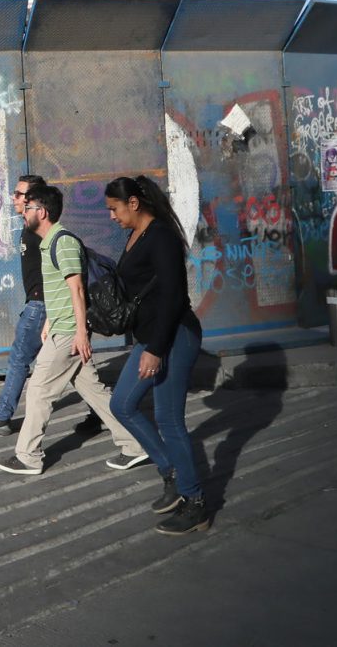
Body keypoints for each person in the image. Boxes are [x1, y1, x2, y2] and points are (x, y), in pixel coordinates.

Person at [0, 185, 147, 477]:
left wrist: (79, 332)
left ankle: (29, 456)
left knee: (39, 390)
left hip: (68, 333)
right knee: (94, 391)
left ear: (42, 212)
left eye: (28, 208)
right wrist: (50, 320)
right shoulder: (47, 241)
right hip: (61, 326)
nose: (23, 213)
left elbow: (77, 289)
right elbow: (59, 291)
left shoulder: (62, 242)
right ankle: (137, 445)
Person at [104, 175, 210, 535]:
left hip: (173, 336)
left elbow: (174, 298)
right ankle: (172, 470)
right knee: (121, 405)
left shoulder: (161, 237)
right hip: (151, 337)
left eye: (114, 209)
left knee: (168, 420)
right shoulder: (135, 236)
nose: (112, 217)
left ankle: (194, 502)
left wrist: (155, 350)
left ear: (134, 203)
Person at [0, 176, 106, 438]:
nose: (16, 199)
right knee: (77, 366)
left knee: (21, 357)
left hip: (42, 305)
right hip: (42, 305)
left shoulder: (44, 232)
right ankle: (102, 414)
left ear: (37, 205)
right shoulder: (30, 227)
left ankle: (1, 415)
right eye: (16, 194)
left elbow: (66, 278)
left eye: (21, 195)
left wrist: (53, 314)